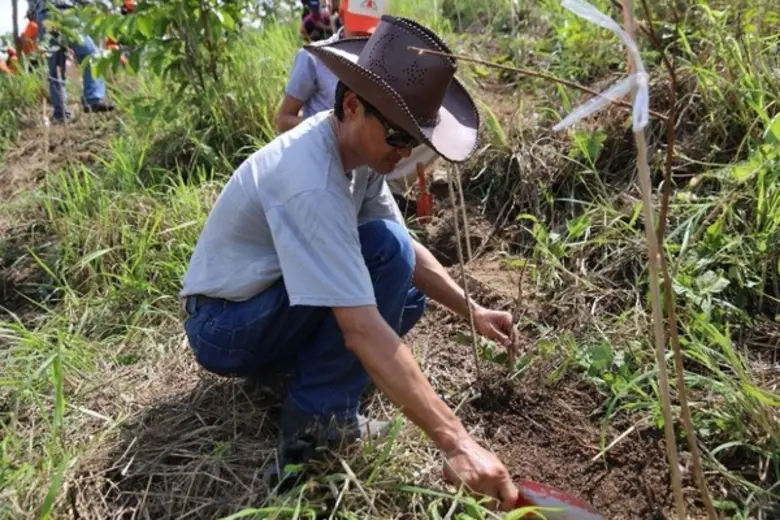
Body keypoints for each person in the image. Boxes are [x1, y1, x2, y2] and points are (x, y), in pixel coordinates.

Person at [179, 15, 520, 511]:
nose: (406, 153)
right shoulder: (310, 177)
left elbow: (404, 247)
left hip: (266, 306)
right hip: (225, 323)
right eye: (399, 137)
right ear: (354, 105)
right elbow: (359, 326)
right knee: (383, 263)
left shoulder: (355, 153)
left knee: (402, 284)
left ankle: (296, 378)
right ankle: (312, 437)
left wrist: (472, 311)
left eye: (416, 141)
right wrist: (458, 443)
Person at [278, 0, 439, 196]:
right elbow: (283, 120)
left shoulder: (387, 61)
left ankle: (389, 188)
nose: (363, 38)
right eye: (358, 30)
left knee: (432, 134)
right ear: (342, 15)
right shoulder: (313, 58)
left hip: (372, 150)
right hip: (329, 155)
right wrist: (332, 128)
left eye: (370, 32)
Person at [26, 0, 115, 123]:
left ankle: (61, 113)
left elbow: (31, 11)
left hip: (45, 18)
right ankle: (93, 98)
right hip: (64, 13)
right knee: (91, 53)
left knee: (56, 69)